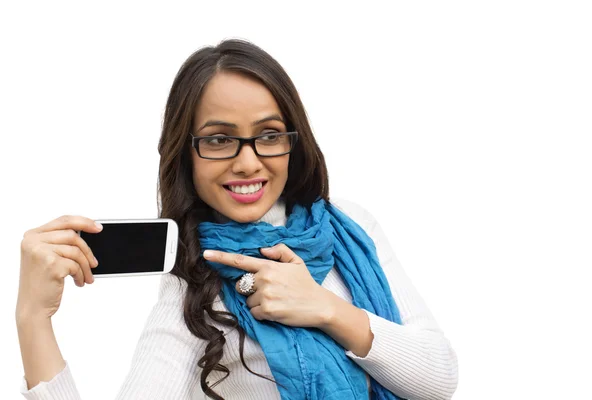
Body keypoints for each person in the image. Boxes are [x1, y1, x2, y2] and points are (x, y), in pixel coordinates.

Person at [16, 39, 458, 400]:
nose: (248, 162)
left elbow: (439, 379)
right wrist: (32, 319)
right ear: (185, 153)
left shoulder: (349, 227)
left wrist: (324, 308)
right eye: (219, 139)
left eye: (268, 135)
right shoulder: (192, 282)